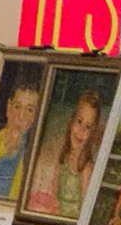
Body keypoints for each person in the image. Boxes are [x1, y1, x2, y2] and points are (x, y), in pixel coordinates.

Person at [27, 90, 103, 218]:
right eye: (79, 121)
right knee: (33, 202)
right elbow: (54, 191)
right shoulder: (64, 157)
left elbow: (84, 210)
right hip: (56, 212)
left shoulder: (86, 169)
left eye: (88, 127)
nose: (81, 130)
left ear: (93, 133)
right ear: (71, 121)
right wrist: (52, 207)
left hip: (69, 219)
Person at [0, 81, 41, 199]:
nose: (21, 116)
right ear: (9, 108)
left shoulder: (31, 152)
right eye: (17, 107)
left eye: (29, 110)